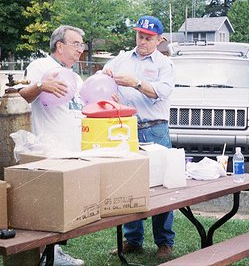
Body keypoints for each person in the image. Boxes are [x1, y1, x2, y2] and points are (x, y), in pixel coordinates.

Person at [103, 15, 175, 259]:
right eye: (140, 36)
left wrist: (136, 83)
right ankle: (133, 239)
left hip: (155, 128)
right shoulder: (122, 58)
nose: (143, 41)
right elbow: (105, 75)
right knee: (129, 183)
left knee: (161, 185)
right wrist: (109, 87)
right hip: (127, 127)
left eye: (148, 38)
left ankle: (164, 242)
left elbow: (162, 92)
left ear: (158, 39)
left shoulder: (164, 64)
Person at [18, 25, 86, 265]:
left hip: (71, 151)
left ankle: (54, 253)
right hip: (48, 150)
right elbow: (23, 95)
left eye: (82, 44)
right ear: (60, 46)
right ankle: (43, 256)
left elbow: (79, 109)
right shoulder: (40, 67)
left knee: (64, 210)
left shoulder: (75, 76)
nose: (81, 49)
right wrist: (40, 86)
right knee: (46, 210)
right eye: (76, 43)